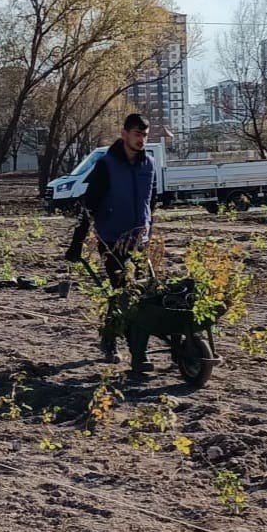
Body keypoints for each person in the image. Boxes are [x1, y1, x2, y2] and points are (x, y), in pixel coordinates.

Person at [65, 113, 157, 372]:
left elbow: (152, 201)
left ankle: (112, 338)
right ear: (125, 133)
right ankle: (136, 353)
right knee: (123, 292)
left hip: (140, 239)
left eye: (145, 135)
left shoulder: (148, 165)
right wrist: (77, 242)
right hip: (112, 238)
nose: (141, 140)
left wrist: (151, 229)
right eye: (137, 134)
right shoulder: (106, 165)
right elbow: (89, 205)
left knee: (144, 294)